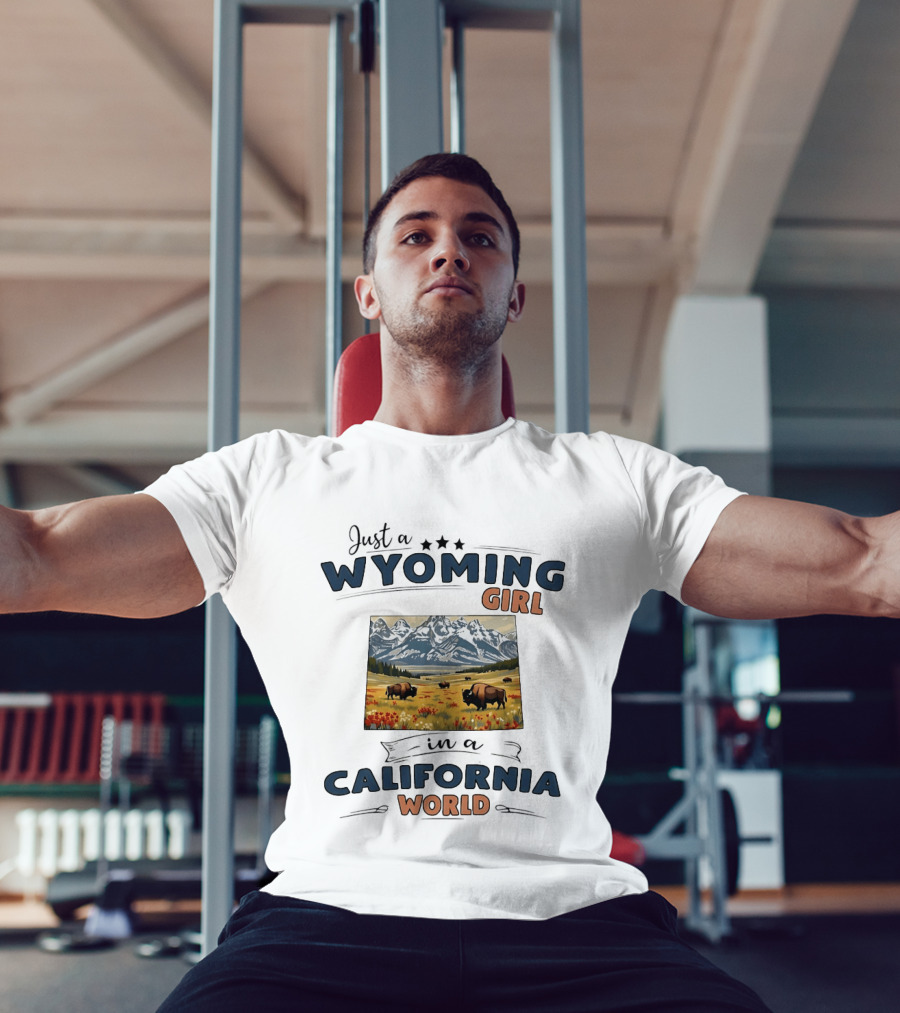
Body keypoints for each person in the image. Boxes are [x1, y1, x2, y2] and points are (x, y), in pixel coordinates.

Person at [4, 153, 898, 1012]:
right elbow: (41, 552)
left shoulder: (613, 480)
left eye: (479, 236)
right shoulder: (264, 482)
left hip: (574, 917)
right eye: (415, 234)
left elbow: (860, 558)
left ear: (515, 294)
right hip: (327, 912)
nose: (448, 250)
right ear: (368, 294)